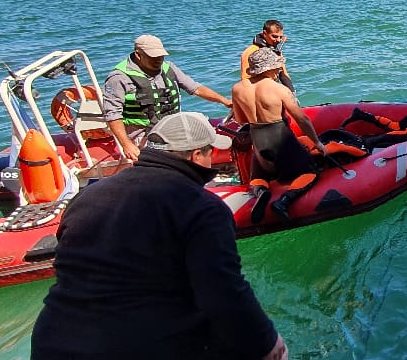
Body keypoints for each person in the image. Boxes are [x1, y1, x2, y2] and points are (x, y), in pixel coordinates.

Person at [30, 112, 288, 360]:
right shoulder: (201, 207)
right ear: (196, 156)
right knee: (267, 357)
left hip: (52, 354)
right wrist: (269, 345)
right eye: (210, 153)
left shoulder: (86, 197)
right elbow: (223, 294)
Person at [231, 47, 327, 221]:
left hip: (258, 141)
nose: (279, 70)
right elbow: (302, 119)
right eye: (277, 67)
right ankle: (284, 201)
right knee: (310, 172)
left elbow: (239, 119)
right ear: (269, 68)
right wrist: (317, 143)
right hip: (281, 140)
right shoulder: (278, 89)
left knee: (259, 175)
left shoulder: (237, 89)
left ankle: (260, 191)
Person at [103, 34, 233, 162]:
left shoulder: (168, 68)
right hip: (143, 136)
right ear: (138, 55)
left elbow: (196, 88)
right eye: (153, 57)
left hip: (172, 130)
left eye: (161, 56)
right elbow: (113, 114)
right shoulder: (118, 78)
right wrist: (127, 145)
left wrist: (224, 101)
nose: (158, 60)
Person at [240, 19, 294, 93]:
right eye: (274, 36)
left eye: (280, 37)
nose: (278, 40)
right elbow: (246, 80)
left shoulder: (276, 51)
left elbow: (283, 74)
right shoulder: (250, 52)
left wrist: (292, 93)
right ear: (264, 33)